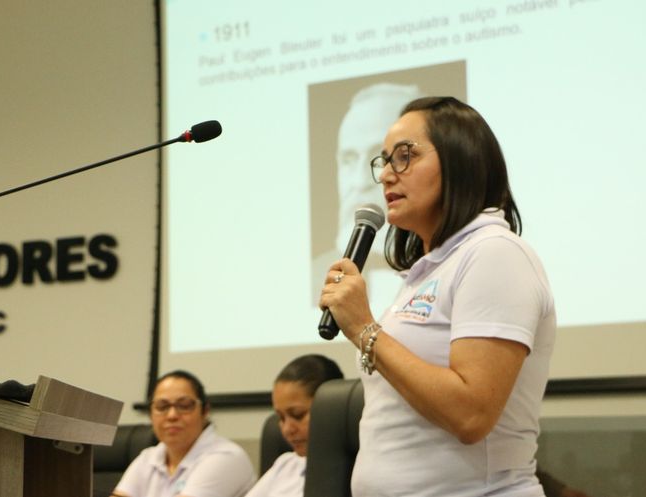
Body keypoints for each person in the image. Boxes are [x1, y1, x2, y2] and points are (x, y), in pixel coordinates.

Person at [318, 96, 556, 496]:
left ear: (460, 161)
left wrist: (364, 328)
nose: (386, 176)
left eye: (405, 156)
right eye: (384, 161)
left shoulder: (494, 253)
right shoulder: (428, 270)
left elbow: (471, 414)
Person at [311, 82, 424, 307]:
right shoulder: (313, 276)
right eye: (349, 160)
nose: (361, 182)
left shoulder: (455, 263)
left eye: (381, 159)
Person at [111, 370, 255, 497]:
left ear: (205, 411)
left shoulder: (226, 456)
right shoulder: (147, 458)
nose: (172, 415)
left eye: (184, 406)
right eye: (162, 406)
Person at [244, 354, 344, 497]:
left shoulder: (357, 473)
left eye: (298, 415)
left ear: (332, 407)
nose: (287, 429)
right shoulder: (286, 464)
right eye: (281, 417)